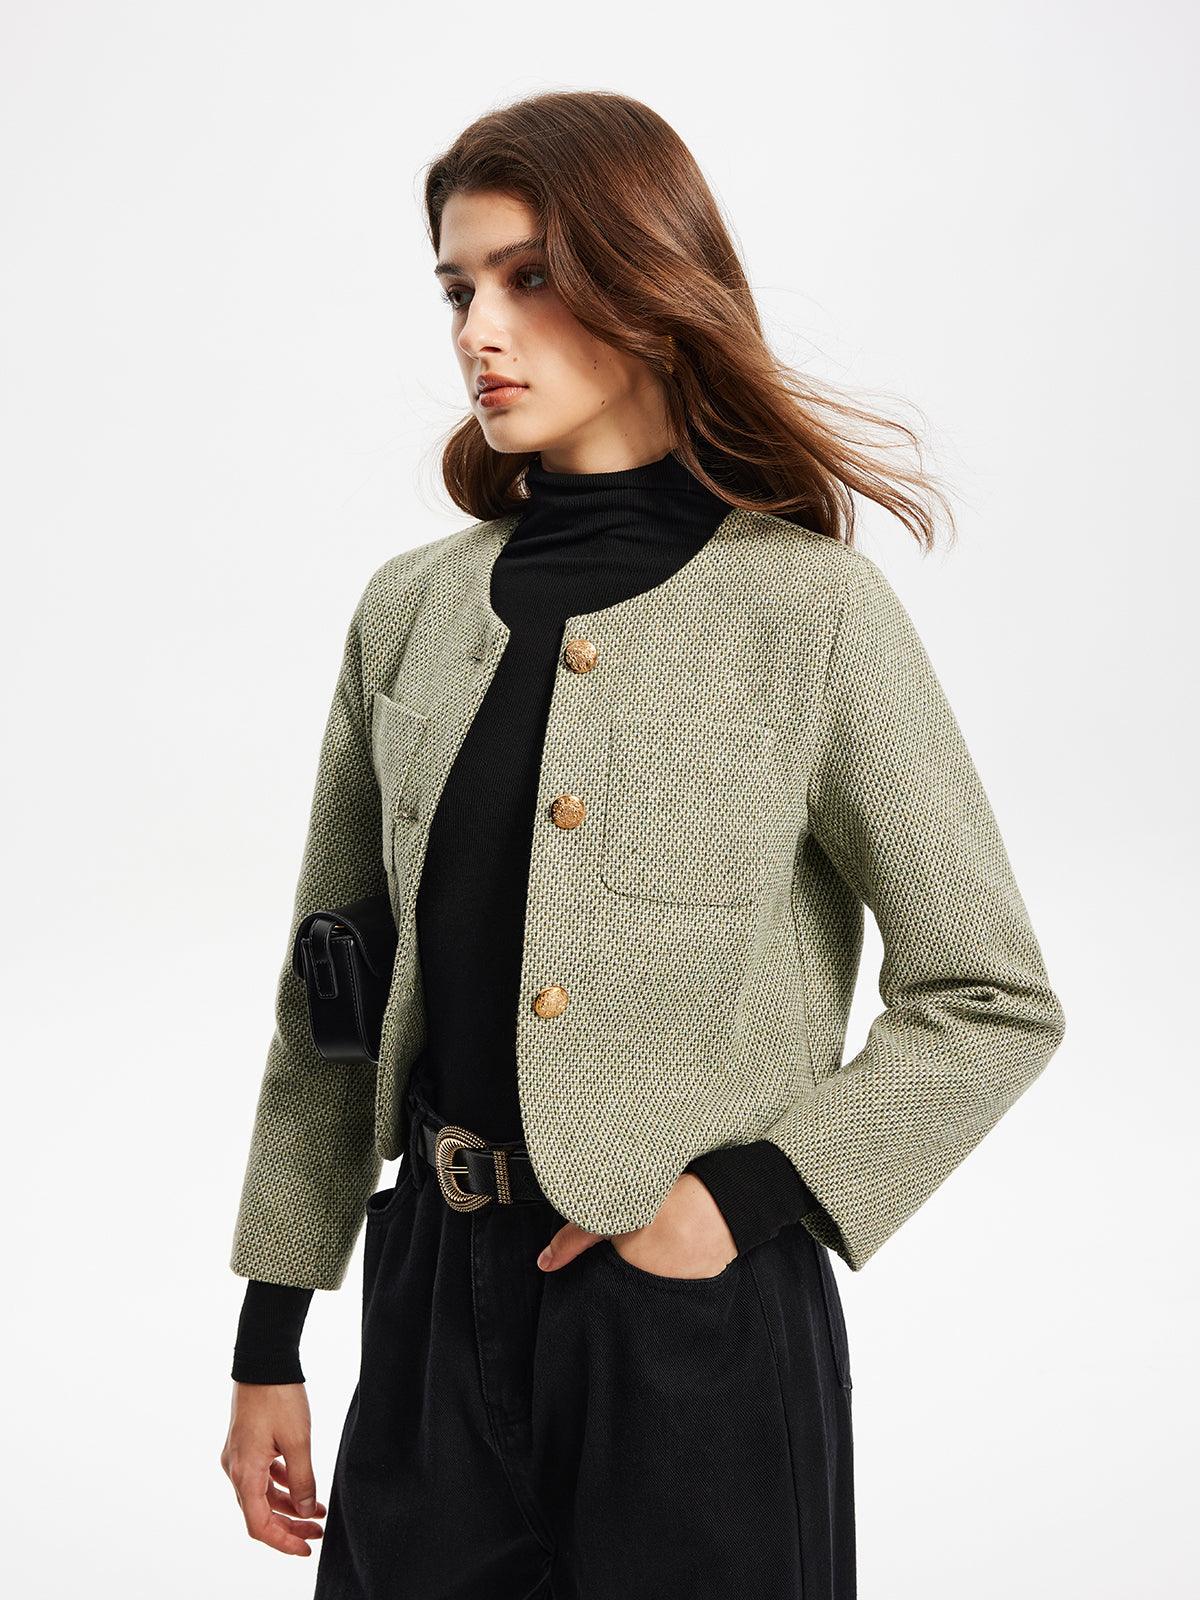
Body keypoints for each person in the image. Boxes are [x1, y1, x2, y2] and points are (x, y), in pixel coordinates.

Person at [220, 89, 1066, 1600]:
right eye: (458, 289)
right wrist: (270, 1335)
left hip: (691, 1334)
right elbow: (330, 999)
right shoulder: (409, 610)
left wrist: (743, 1201)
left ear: (653, 286)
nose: (481, 329)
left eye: (531, 277)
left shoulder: (808, 612)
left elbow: (989, 997)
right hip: (427, 1312)